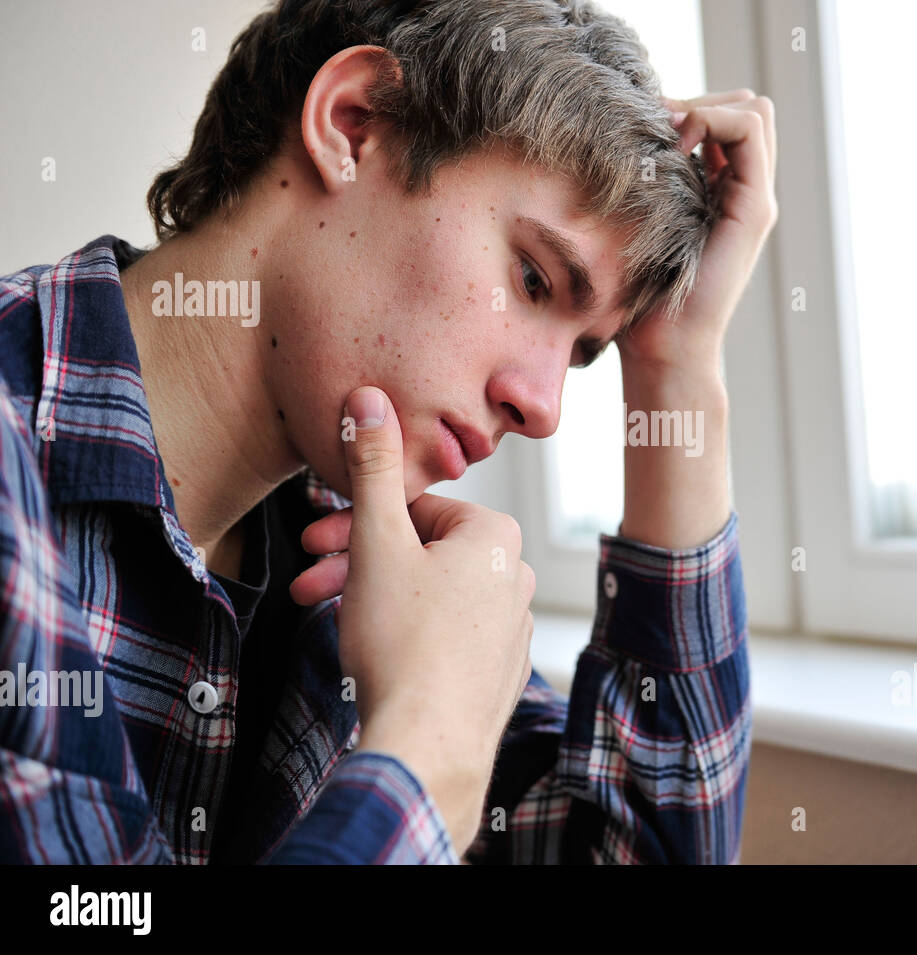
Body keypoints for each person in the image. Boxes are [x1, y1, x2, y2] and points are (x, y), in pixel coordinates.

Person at [0, 0, 775, 864]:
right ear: (352, 124)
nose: (546, 406)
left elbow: (639, 850)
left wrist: (677, 363)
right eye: (531, 277)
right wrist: (430, 746)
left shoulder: (365, 561)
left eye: (586, 352)